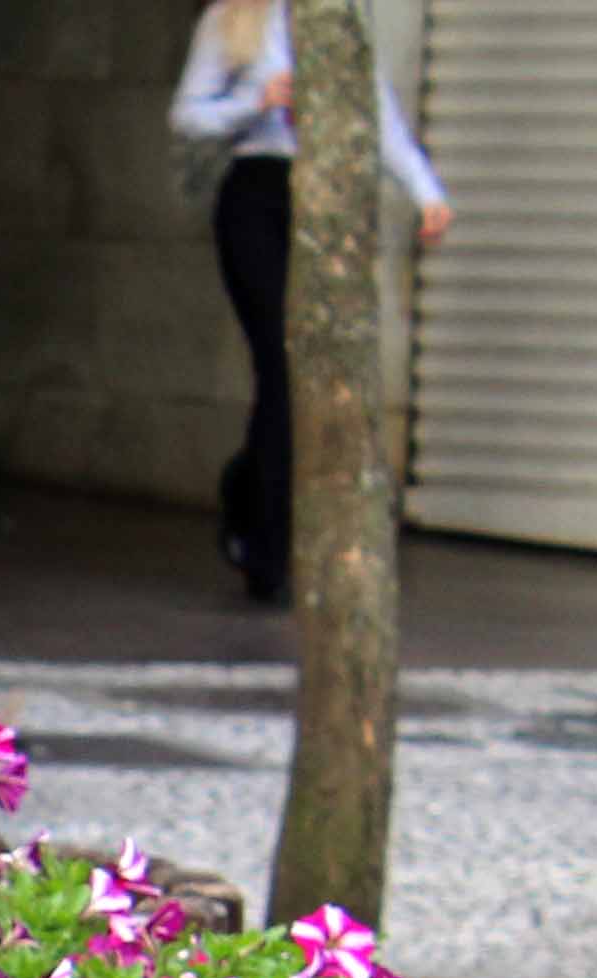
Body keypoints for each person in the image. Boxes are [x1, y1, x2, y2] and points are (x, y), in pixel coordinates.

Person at [174, 0, 454, 604]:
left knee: (304, 371)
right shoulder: (231, 20)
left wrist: (426, 192)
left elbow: (378, 114)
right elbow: (188, 116)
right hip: (255, 193)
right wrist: (258, 101)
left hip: (322, 205)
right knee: (280, 360)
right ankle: (268, 551)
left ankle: (251, 501)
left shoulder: (337, 19)